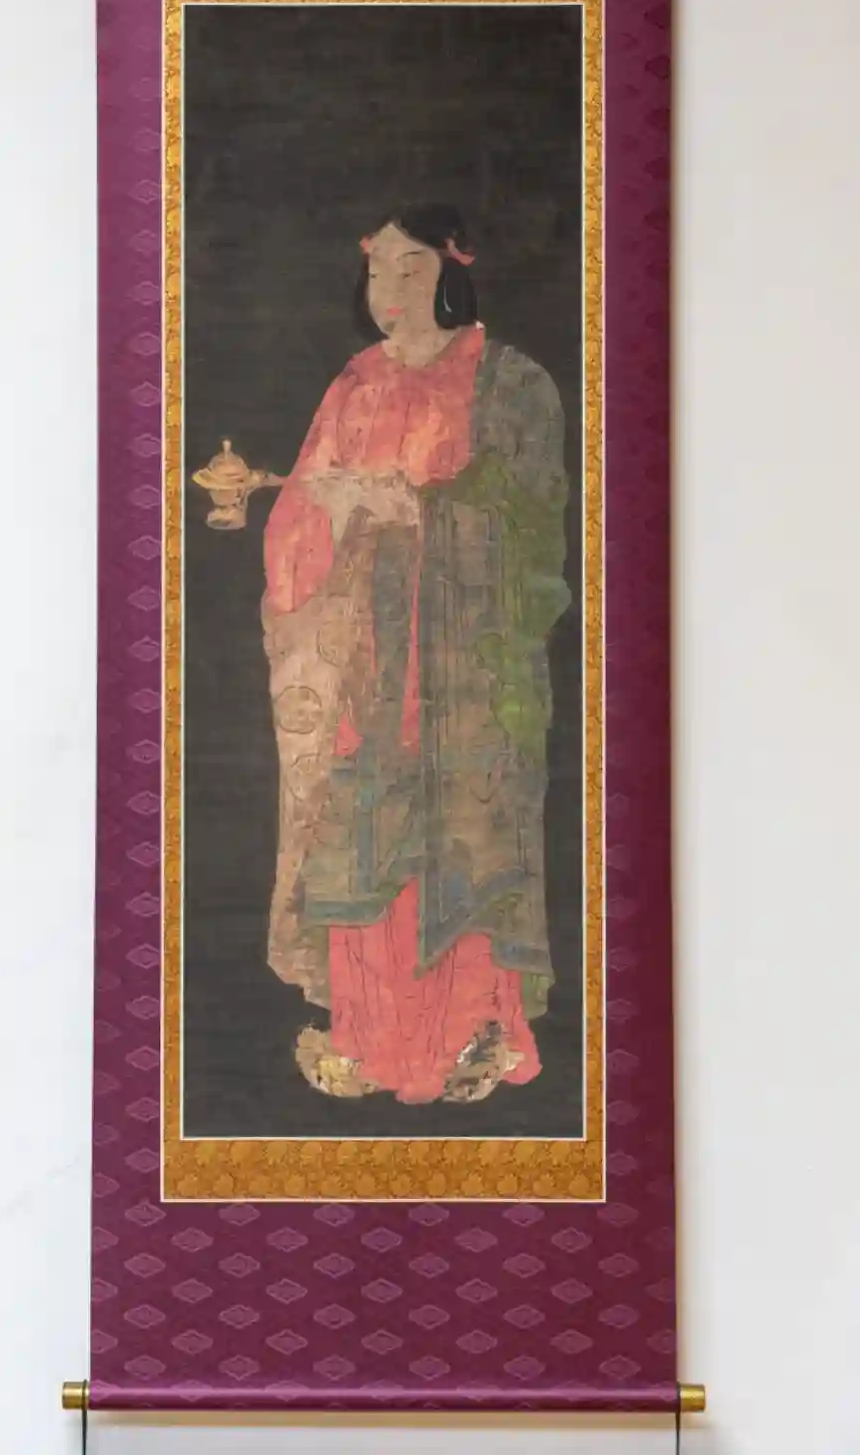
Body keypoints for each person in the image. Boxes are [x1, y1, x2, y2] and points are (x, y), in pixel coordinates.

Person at [261, 205, 569, 1105]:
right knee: (364, 835)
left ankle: (478, 1032)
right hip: (368, 658)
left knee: (466, 839)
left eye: (411, 268)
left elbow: (534, 519)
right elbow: (301, 510)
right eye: (377, 270)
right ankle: (364, 1037)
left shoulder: (511, 383)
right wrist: (325, 509)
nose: (389, 289)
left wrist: (418, 510)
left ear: (451, 271)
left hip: (468, 669)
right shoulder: (355, 385)